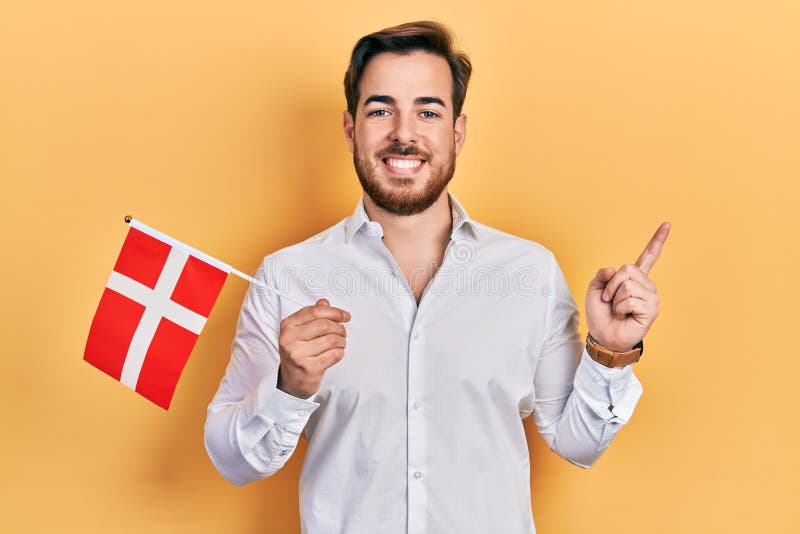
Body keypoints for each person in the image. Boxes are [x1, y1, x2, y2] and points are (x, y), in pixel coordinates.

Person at [204, 20, 669, 534]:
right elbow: (232, 460)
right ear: (350, 128)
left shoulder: (529, 272)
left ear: (458, 132)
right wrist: (287, 388)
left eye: (428, 111)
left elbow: (579, 444)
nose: (404, 133)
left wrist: (610, 352)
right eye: (380, 110)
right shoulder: (288, 276)